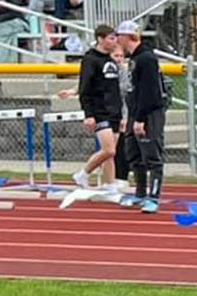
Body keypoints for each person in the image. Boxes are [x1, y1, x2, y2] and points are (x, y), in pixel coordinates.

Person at [60, 24, 123, 191]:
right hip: (99, 110)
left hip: (114, 110)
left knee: (112, 152)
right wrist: (88, 114)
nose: (114, 41)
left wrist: (121, 113)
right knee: (108, 150)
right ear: (100, 39)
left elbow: (114, 88)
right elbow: (85, 88)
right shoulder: (90, 60)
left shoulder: (111, 60)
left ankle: (110, 184)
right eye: (111, 38)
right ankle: (83, 173)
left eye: (115, 37)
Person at [115, 21, 167, 213]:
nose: (117, 39)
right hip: (135, 112)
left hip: (148, 113)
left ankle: (154, 197)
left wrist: (141, 118)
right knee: (134, 154)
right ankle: (140, 192)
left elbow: (149, 91)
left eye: (119, 35)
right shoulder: (135, 58)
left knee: (151, 154)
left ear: (128, 36)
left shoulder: (146, 59)